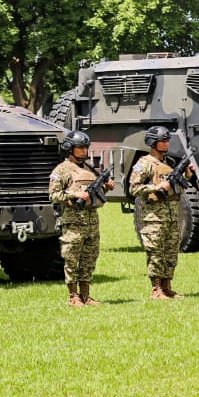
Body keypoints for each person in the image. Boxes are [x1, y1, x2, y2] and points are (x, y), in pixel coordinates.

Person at [49, 130, 113, 306]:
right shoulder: (61, 170)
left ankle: (85, 295)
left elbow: (96, 193)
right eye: (80, 147)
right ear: (70, 148)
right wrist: (75, 194)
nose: (84, 150)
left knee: (89, 258)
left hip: (92, 220)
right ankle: (73, 296)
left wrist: (106, 188)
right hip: (73, 221)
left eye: (86, 147)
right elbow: (54, 195)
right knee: (72, 258)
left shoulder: (89, 169)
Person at [128, 126, 192, 299]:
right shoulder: (144, 163)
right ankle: (156, 289)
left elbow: (178, 188)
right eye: (162, 141)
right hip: (154, 217)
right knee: (156, 252)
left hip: (172, 216)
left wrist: (186, 176)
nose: (166, 144)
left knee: (171, 252)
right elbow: (134, 188)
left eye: (167, 140)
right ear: (153, 143)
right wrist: (156, 187)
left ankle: (167, 286)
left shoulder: (170, 163)